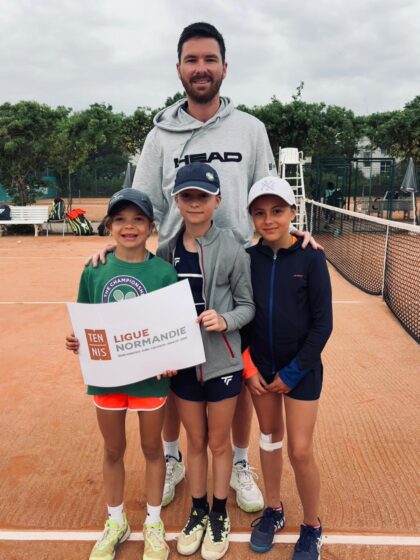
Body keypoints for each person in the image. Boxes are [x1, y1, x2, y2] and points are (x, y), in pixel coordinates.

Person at [88, 21, 319, 512]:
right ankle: (172, 456)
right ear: (179, 69)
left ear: (224, 68)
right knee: (174, 372)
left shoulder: (252, 130)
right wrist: (118, 247)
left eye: (209, 60)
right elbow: (142, 203)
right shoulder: (159, 136)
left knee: (232, 367)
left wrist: (296, 234)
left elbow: (268, 199)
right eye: (191, 60)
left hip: (238, 269)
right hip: (173, 269)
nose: (201, 68)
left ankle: (236, 460)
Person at [65, 188, 178, 560]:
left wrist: (170, 355)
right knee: (113, 449)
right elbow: (86, 321)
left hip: (150, 379)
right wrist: (77, 340)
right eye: (121, 220)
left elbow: (171, 326)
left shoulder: (163, 271)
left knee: (151, 448)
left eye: (138, 220)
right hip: (108, 378)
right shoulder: (95, 269)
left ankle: (153, 522)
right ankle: (116, 521)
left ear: (150, 226)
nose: (129, 227)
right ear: (110, 225)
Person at [157, 162, 255, 559]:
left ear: (217, 200)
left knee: (218, 443)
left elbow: (247, 306)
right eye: (186, 196)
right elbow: (156, 309)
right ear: (176, 201)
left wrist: (225, 319)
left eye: (202, 196)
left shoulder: (233, 247)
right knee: (193, 441)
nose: (194, 203)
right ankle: (197, 510)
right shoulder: (165, 251)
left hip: (223, 364)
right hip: (182, 365)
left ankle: (218, 513)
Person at [243, 176, 333, 559]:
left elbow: (322, 323)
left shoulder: (312, 257)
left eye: (277, 211)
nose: (269, 219)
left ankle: (312, 526)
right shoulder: (247, 260)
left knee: (299, 450)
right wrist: (249, 370)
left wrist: (293, 372)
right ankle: (273, 509)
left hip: (302, 372)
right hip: (260, 373)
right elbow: (242, 319)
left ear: (293, 213)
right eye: (260, 213)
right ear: (252, 218)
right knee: (268, 440)